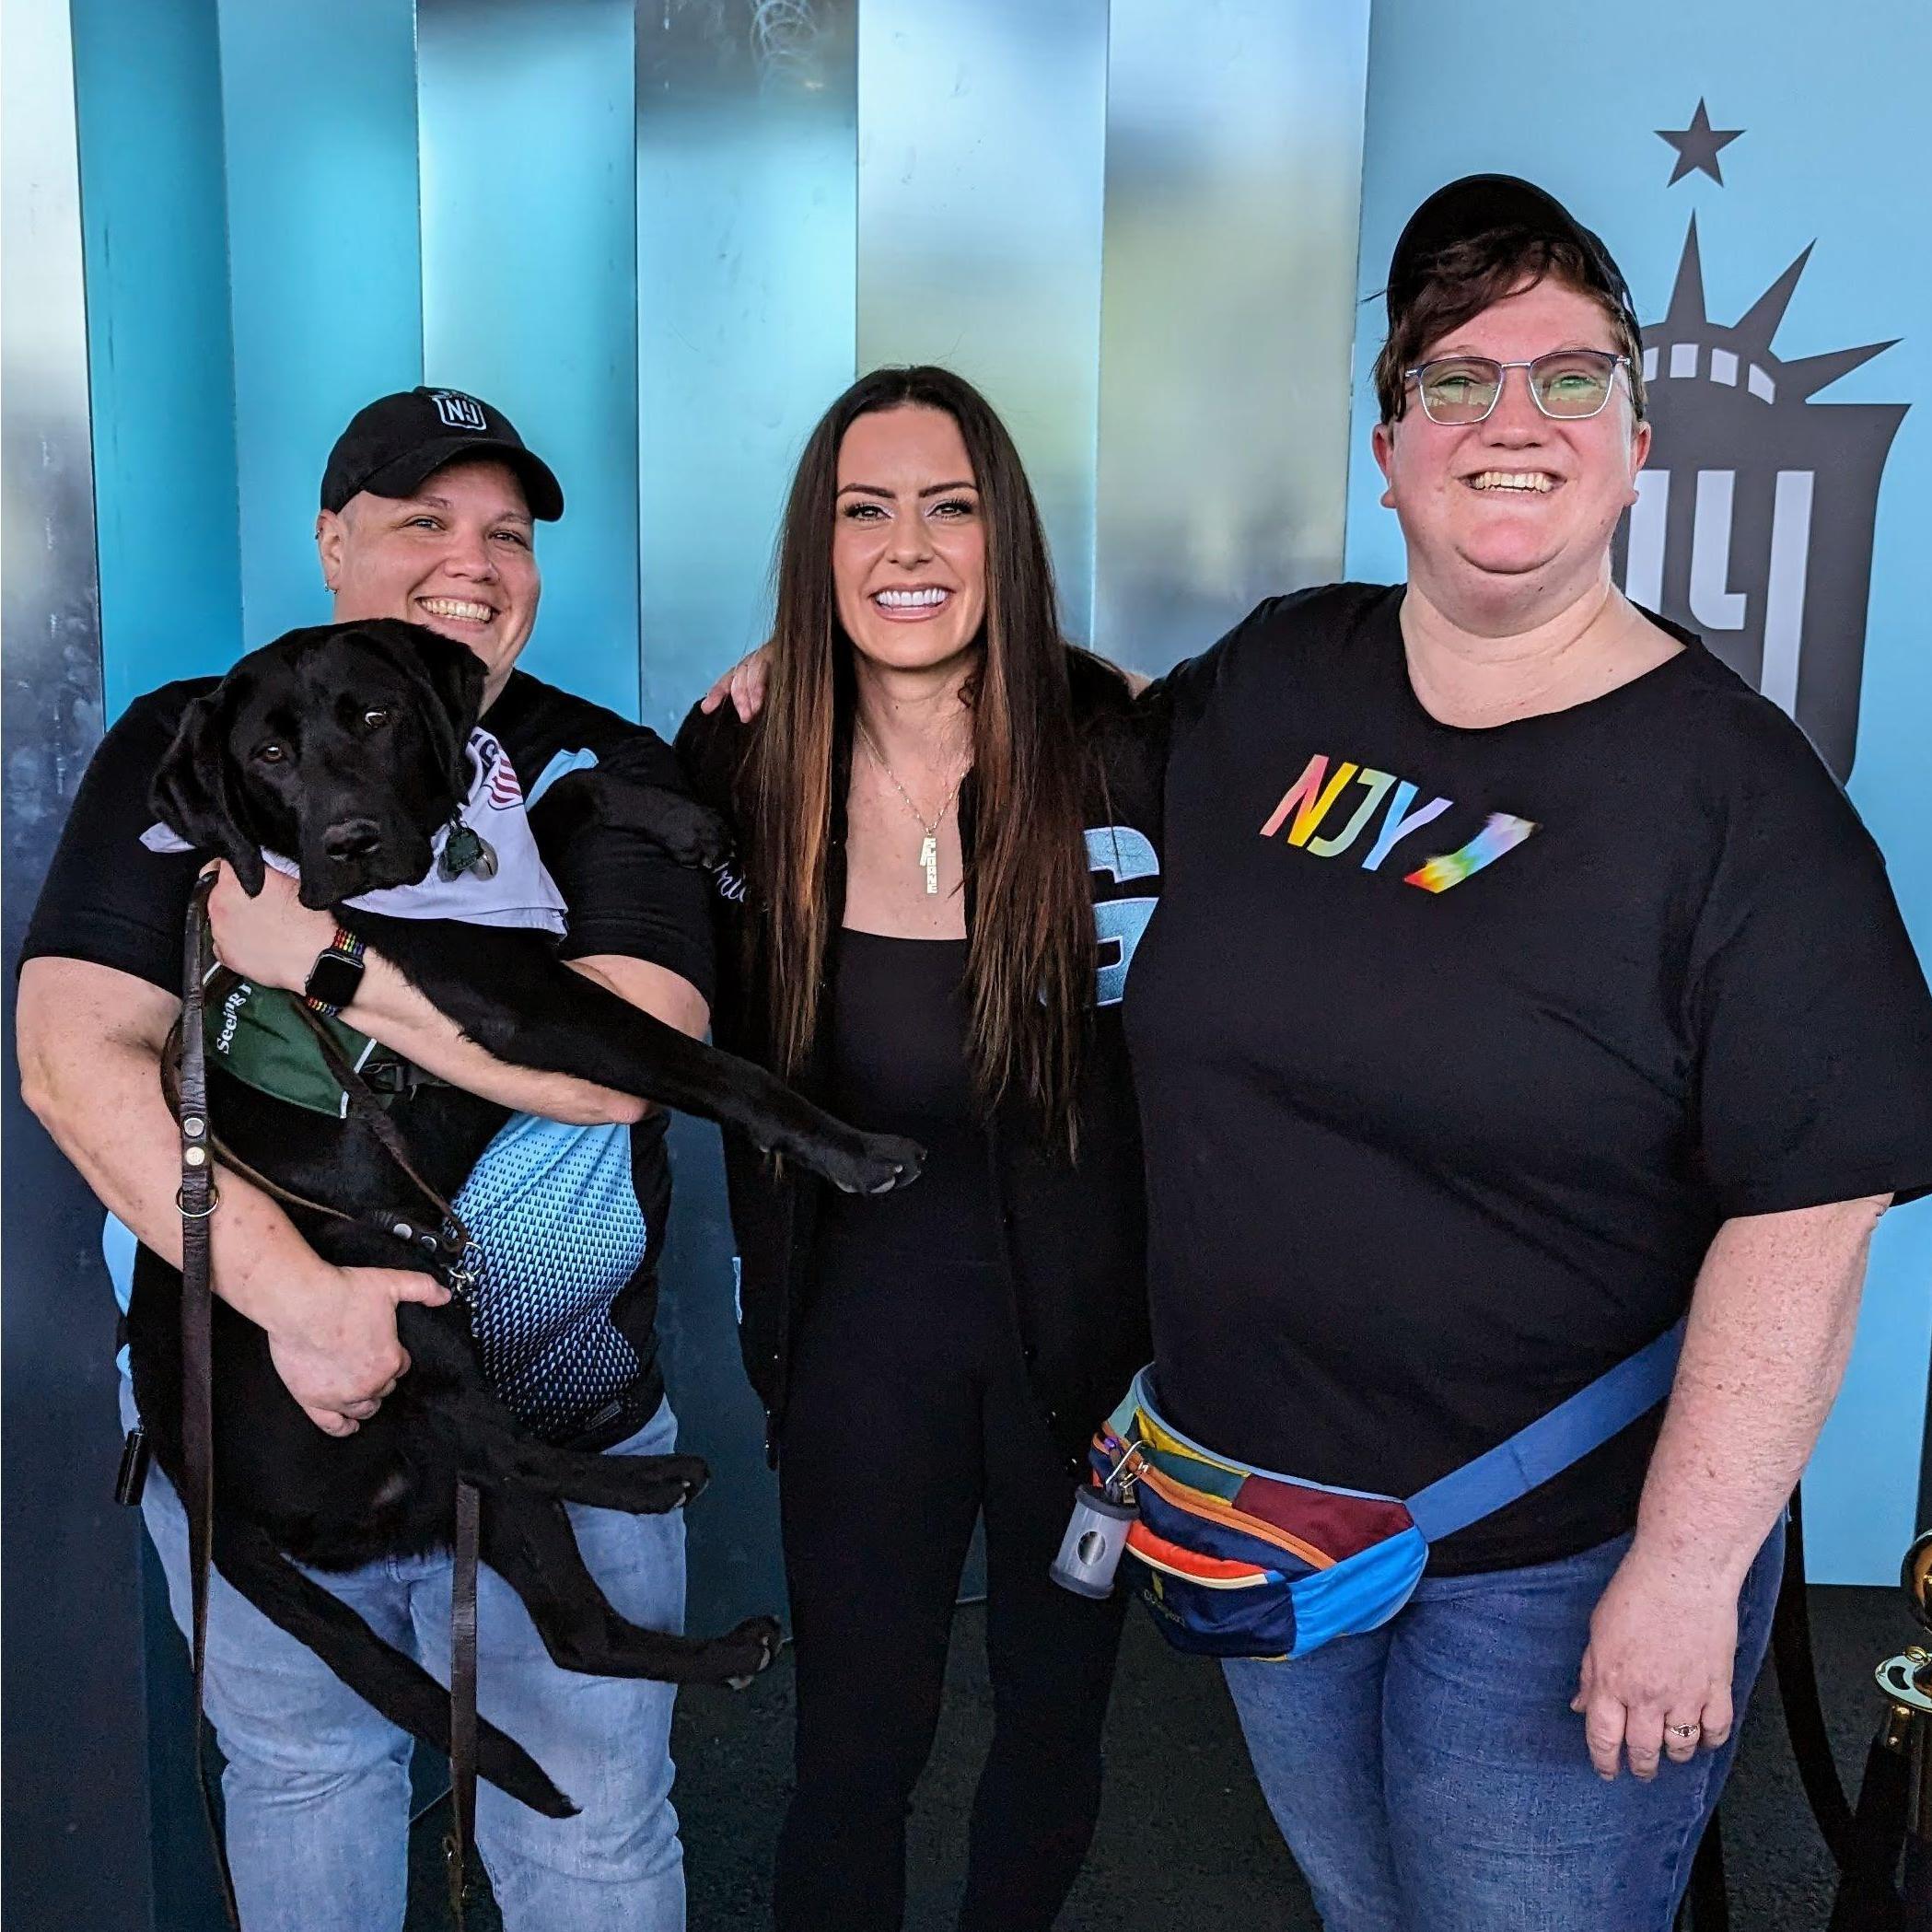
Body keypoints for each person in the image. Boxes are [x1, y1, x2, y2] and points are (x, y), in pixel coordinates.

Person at [1119, 176, 1932, 1928]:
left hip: (1552, 1560)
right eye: (1456, 380)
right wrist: (830, 668)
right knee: (1363, 1906)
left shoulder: (1739, 805)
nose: (1513, 422)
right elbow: (1050, 759)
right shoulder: (1281, 674)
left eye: (1569, 380)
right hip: (1267, 1509)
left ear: (1634, 442)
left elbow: (1809, 1218)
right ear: (1387, 441)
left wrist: (1686, 1568)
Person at [19, 387, 716, 1932]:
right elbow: (74, 1056)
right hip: (256, 1405)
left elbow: (626, 1061)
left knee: (591, 1838)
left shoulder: (596, 764)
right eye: (422, 522)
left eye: (506, 533)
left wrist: (318, 961)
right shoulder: (190, 745)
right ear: (334, 544)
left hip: (558, 1424)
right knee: (304, 1785)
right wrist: (305, 1303)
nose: (472, 561)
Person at [676, 366, 1161, 1931]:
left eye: (949, 504)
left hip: (1084, 1370)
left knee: (1053, 1727)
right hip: (852, 1359)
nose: (909, 544)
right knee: (853, 1752)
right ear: (816, 548)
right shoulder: (736, 770)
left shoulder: (1121, 751)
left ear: (1002, 534)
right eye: (863, 508)